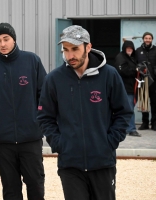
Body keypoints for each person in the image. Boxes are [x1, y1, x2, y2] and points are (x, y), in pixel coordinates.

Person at [37, 25, 133, 200]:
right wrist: (59, 143)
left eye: (75, 49)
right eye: (65, 50)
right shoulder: (54, 79)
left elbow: (123, 112)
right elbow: (45, 117)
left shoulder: (109, 75)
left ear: (88, 47)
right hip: (70, 165)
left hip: (102, 162)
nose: (70, 55)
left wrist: (109, 142)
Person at [0, 22, 46, 200]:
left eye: (6, 39)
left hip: (30, 137)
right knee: (10, 187)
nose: (2, 44)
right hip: (2, 139)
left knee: (35, 183)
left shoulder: (32, 61)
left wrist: (38, 121)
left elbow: (44, 94)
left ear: (14, 39)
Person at [114, 40, 141, 137]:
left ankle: (126, 128)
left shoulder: (131, 58)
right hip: (125, 87)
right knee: (129, 109)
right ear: (124, 49)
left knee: (128, 108)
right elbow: (122, 71)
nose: (129, 50)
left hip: (130, 87)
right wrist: (136, 70)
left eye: (131, 48)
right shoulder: (120, 57)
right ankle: (131, 129)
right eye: (128, 48)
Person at [135, 32, 156, 131]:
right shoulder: (138, 51)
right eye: (146, 38)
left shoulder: (155, 50)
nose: (148, 40)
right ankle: (145, 123)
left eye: (149, 38)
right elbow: (135, 63)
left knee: (154, 102)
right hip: (143, 80)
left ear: (152, 39)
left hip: (154, 81)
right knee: (144, 102)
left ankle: (154, 123)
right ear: (143, 39)